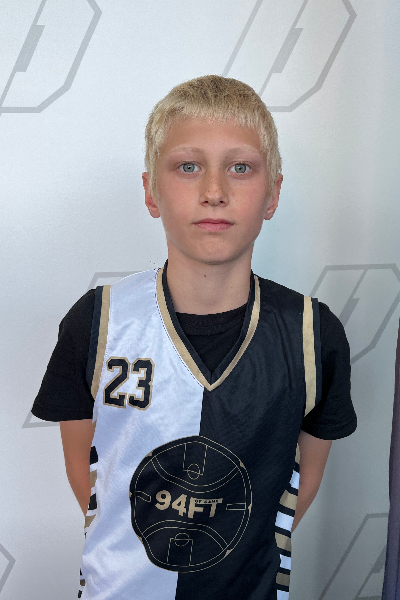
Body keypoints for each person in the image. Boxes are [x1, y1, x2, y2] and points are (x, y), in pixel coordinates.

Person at [32, 75, 357, 600]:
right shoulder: (98, 321)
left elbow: (301, 481)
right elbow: (88, 474)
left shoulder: (312, 334)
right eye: (188, 166)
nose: (214, 192)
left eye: (240, 167)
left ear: (272, 194)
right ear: (151, 192)